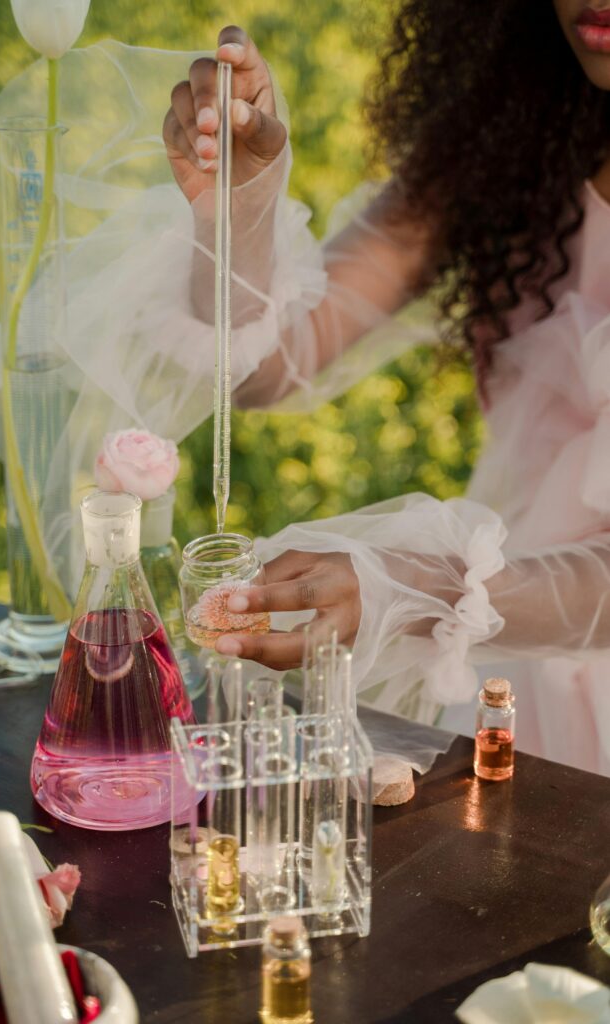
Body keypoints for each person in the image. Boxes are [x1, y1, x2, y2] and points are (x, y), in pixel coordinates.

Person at [162, 2, 610, 774]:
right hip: (518, 670)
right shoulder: (516, 137)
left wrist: (423, 584)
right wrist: (240, 207)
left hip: (516, 614)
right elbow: (267, 365)